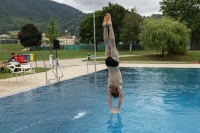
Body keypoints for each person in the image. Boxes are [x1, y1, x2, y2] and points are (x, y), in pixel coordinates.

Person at [103, 13, 123, 114]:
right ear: (112, 92)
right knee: (107, 43)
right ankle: (105, 26)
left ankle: (109, 25)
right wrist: (112, 109)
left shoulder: (119, 85)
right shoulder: (109, 86)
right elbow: (109, 98)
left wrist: (117, 109)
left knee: (113, 43)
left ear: (118, 92)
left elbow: (120, 99)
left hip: (115, 64)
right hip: (108, 64)